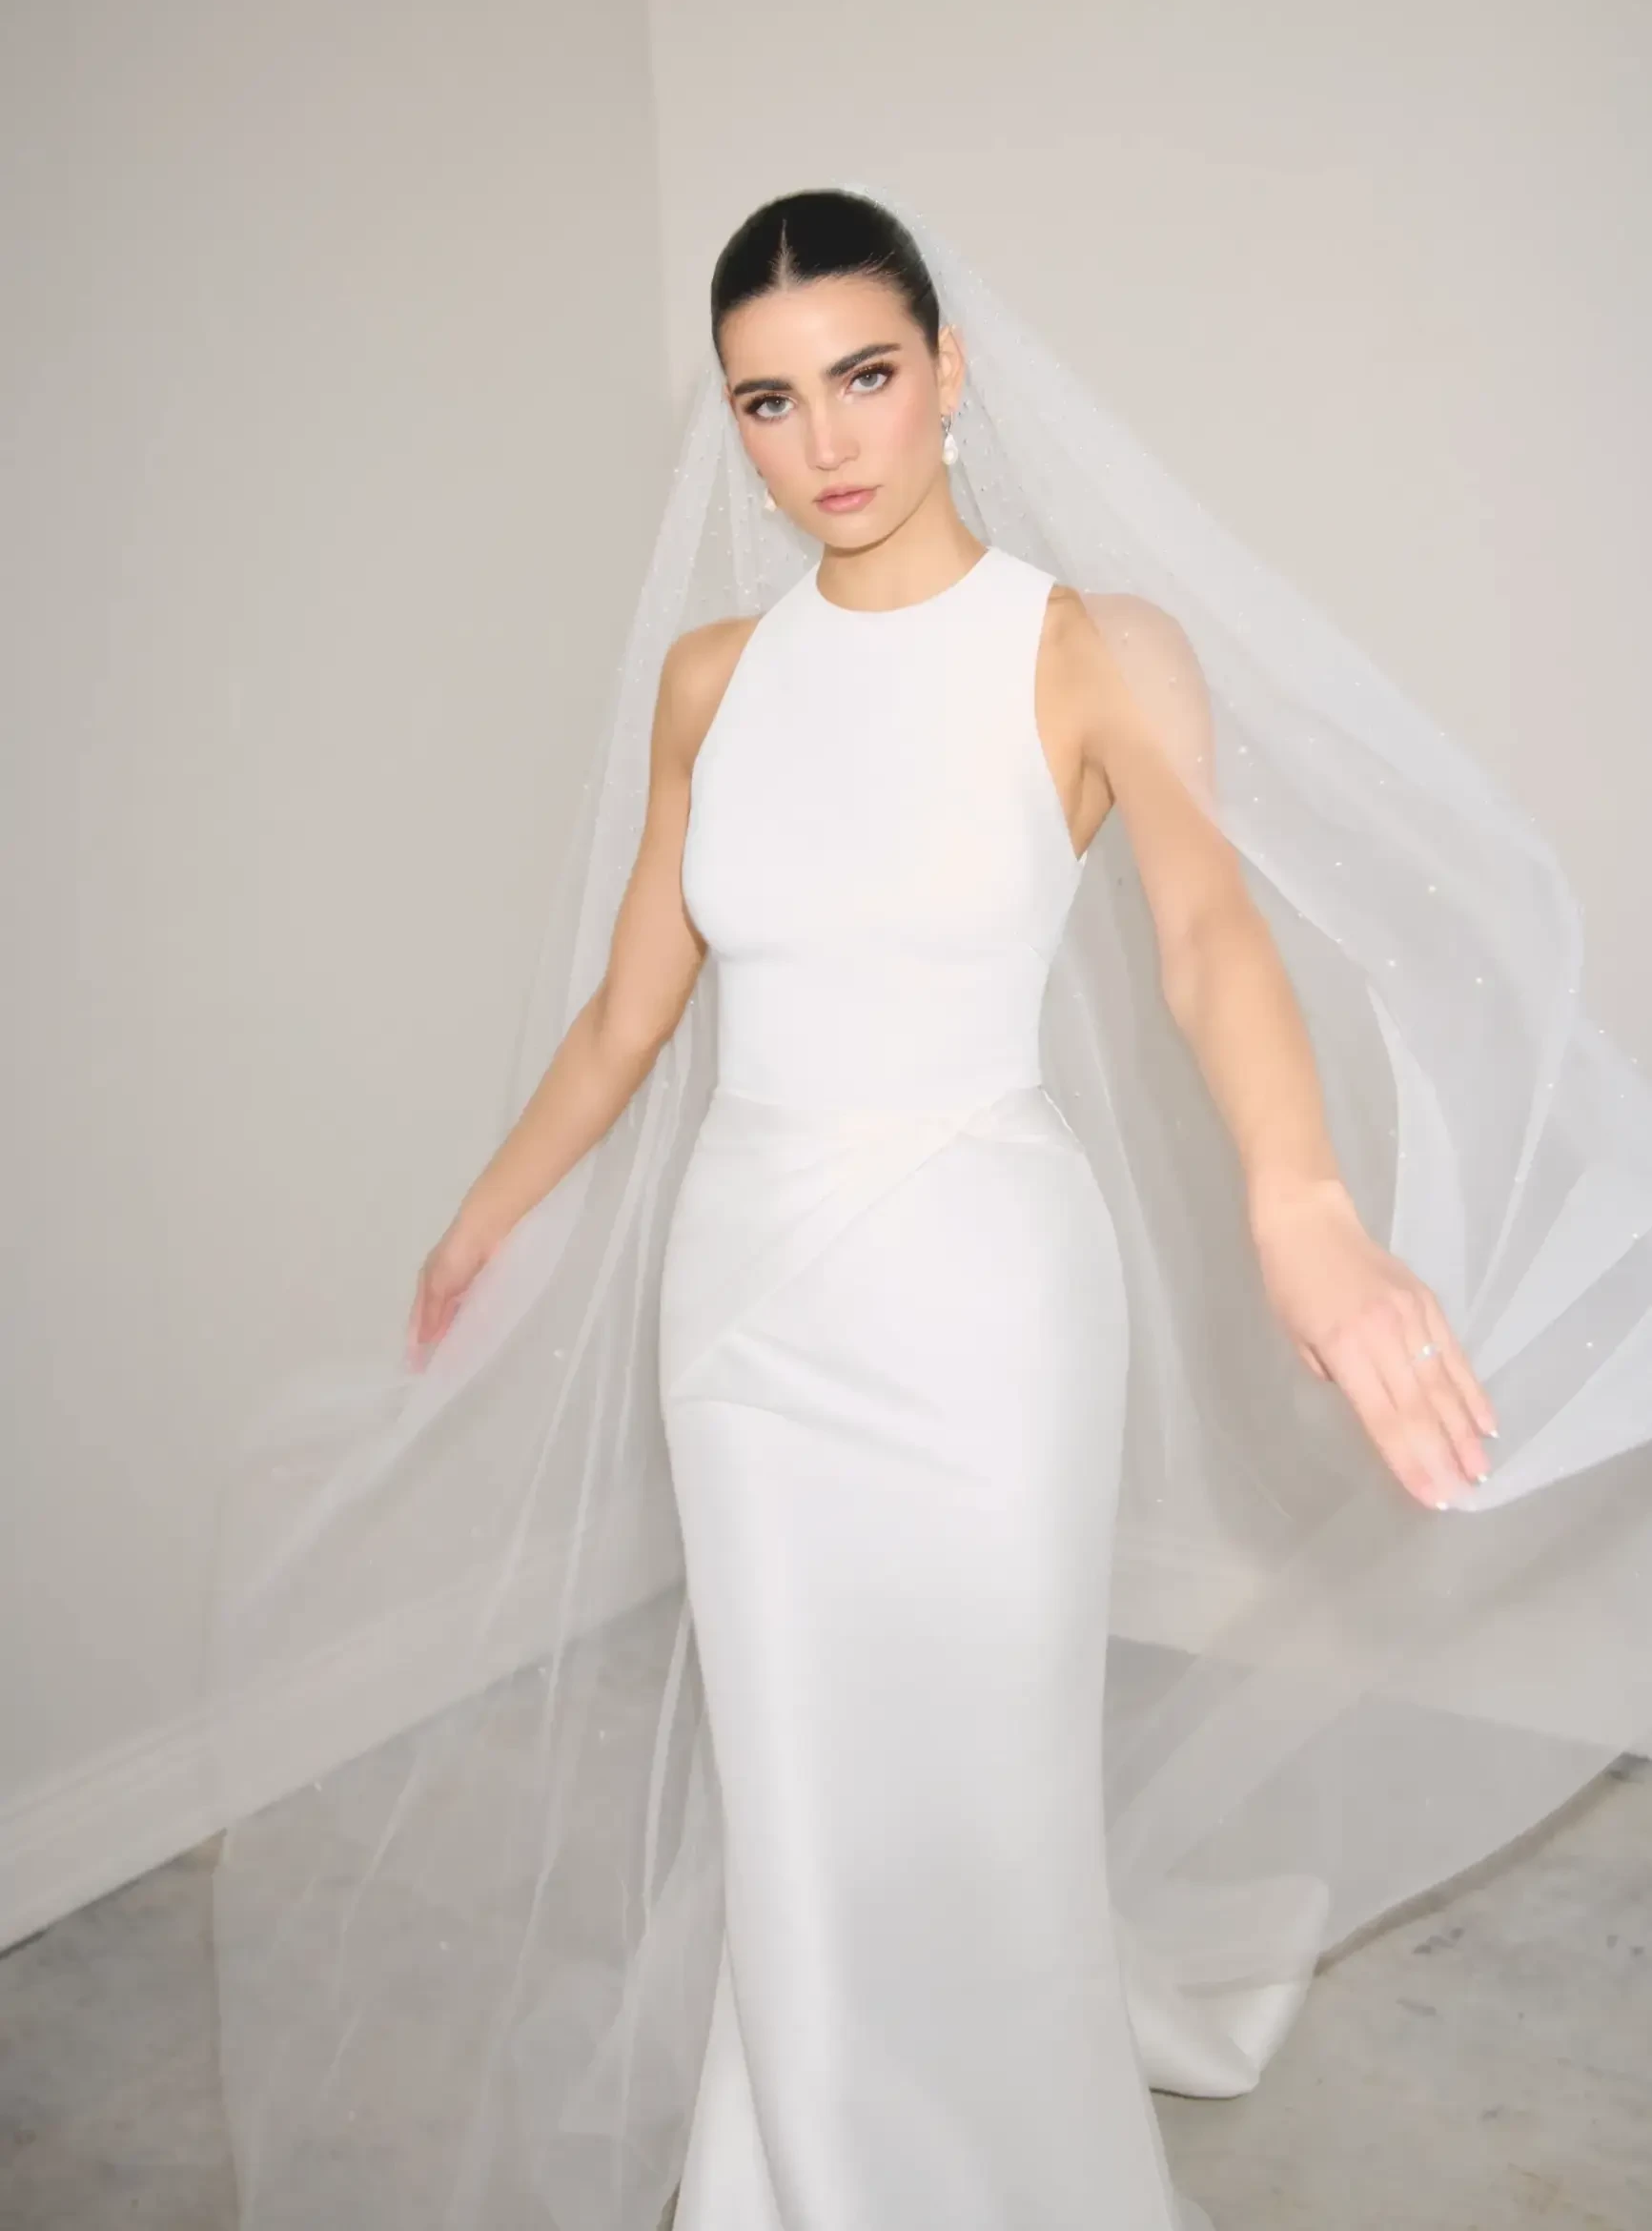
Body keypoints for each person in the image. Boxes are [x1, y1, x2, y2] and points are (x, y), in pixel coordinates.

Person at [208, 189, 1652, 2231]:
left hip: (981, 1306)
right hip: (740, 1315)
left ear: (949, 371)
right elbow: (632, 1014)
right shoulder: (712, 681)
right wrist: (489, 1207)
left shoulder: (1082, 650)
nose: (826, 443)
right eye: (768, 403)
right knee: (792, 1800)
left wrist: (1299, 1199)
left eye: (863, 375)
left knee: (973, 1810)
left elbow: (1208, 932)